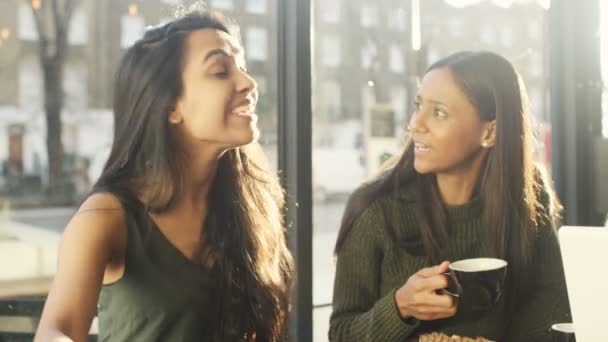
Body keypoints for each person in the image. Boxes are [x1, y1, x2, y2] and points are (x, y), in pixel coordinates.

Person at [34, 8, 293, 342]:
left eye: (242, 67)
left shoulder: (253, 209)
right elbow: (56, 332)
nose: (248, 83)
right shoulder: (106, 217)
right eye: (220, 71)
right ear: (171, 106)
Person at [329, 51, 571, 342]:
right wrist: (400, 307)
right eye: (418, 106)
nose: (415, 125)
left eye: (439, 112)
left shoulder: (528, 192)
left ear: (489, 132)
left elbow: (552, 305)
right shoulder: (374, 207)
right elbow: (341, 334)